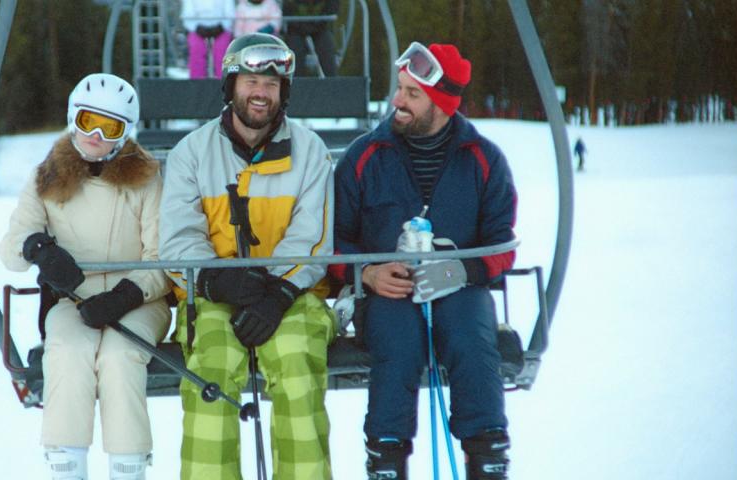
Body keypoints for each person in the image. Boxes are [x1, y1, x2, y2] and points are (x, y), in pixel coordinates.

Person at [333, 42, 517, 479]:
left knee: (472, 340)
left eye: (412, 94)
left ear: (442, 103)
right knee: (397, 345)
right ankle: (387, 458)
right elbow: (332, 241)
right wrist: (369, 272)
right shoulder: (364, 157)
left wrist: (463, 270)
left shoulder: (483, 160)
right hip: (385, 291)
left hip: (459, 289)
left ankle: (486, 454)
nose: (397, 101)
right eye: (399, 89)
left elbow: (503, 244)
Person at [159, 33, 336, 480]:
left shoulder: (310, 153)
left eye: (272, 85)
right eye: (251, 80)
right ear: (231, 84)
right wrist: (216, 280)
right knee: (210, 376)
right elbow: (177, 238)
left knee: (297, 366)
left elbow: (313, 238)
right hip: (213, 297)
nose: (261, 93)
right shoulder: (192, 154)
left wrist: (275, 293)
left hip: (292, 296)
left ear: (284, 92)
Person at [0, 73, 171, 480]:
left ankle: (128, 469)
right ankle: (67, 466)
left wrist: (127, 295)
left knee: (119, 356)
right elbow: (11, 247)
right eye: (87, 120)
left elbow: (162, 257)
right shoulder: (47, 176)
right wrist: (38, 248)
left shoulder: (146, 179)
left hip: (140, 298)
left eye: (108, 127)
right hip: (71, 297)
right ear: (73, 118)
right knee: (69, 352)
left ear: (125, 133)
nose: (94, 135)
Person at [283, 0, 339, 77]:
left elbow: (332, 11)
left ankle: (332, 83)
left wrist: (315, 26)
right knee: (295, 50)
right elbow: (287, 12)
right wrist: (303, 27)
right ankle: (296, 85)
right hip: (295, 29)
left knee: (326, 48)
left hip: (320, 29)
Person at [182, 0, 236, 79]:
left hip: (221, 27)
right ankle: (197, 84)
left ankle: (224, 82)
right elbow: (187, 15)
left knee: (223, 50)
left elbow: (230, 14)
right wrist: (197, 28)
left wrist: (221, 27)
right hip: (197, 28)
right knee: (196, 48)